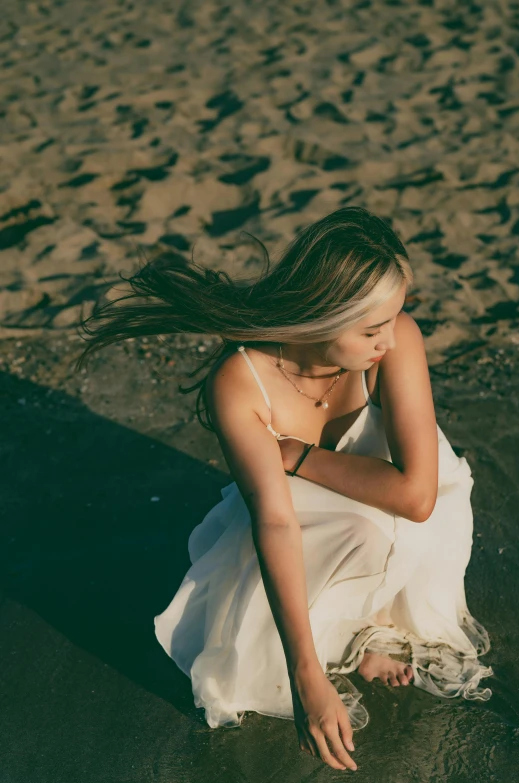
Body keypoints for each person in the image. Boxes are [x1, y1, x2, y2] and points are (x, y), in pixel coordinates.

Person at [75, 206, 494, 773]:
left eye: (395, 319)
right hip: (307, 517)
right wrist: (307, 673)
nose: (390, 341)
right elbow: (274, 522)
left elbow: (418, 498)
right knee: (360, 530)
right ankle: (339, 635)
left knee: (427, 501)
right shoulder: (240, 380)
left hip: (384, 492)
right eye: (372, 330)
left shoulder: (396, 345)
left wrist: (295, 453)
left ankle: (375, 622)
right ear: (321, 318)